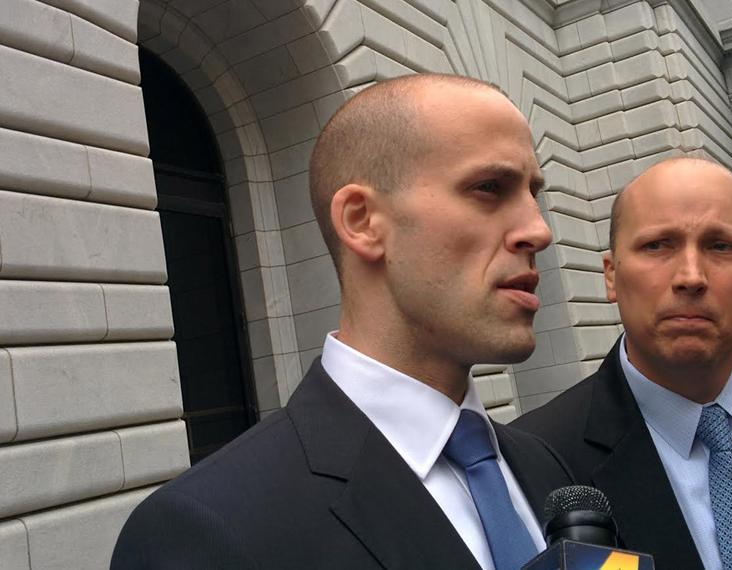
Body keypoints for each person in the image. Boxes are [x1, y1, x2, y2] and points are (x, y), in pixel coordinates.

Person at [110, 74, 573, 569]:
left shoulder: (549, 470)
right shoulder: (206, 531)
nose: (538, 230)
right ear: (361, 221)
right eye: (489, 188)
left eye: (532, 193)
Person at [513, 157, 732, 569]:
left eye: (721, 246)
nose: (691, 276)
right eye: (657, 245)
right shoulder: (533, 457)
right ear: (611, 276)